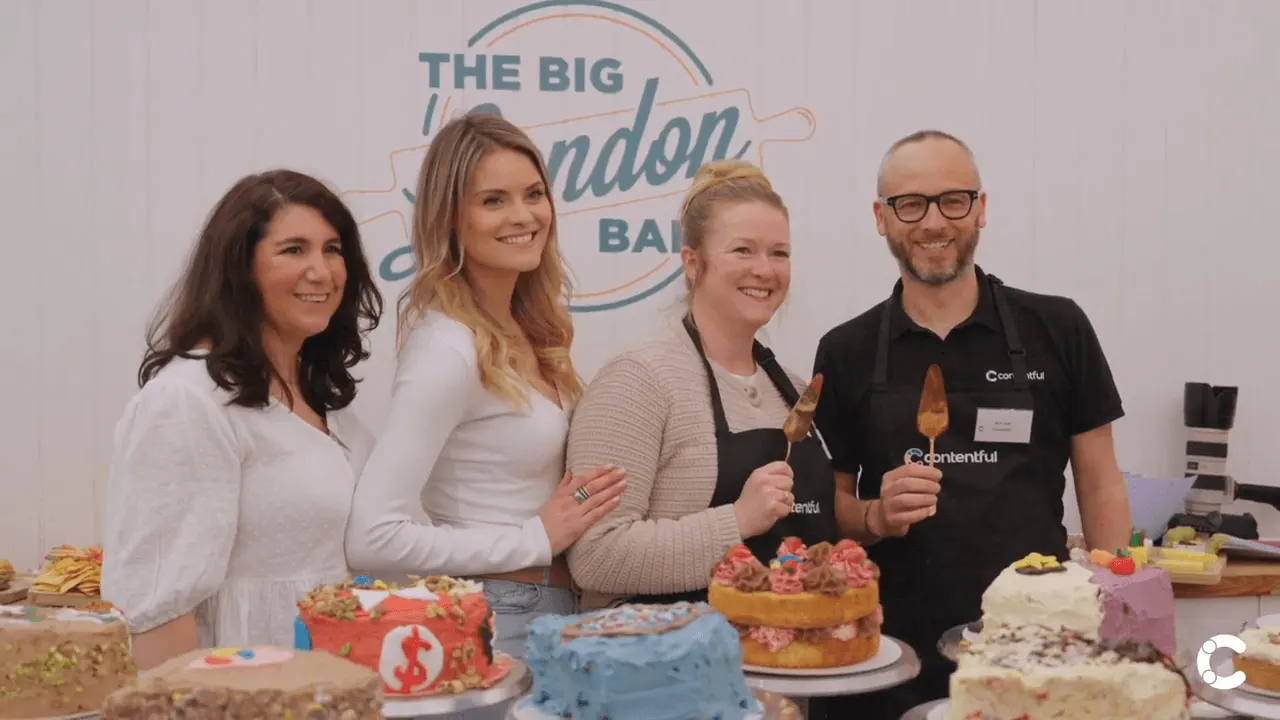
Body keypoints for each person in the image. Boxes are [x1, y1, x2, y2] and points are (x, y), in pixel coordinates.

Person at [812, 129, 1132, 716]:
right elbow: (828, 505)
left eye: (953, 199)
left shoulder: (1058, 329)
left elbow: (1100, 480)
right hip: (885, 650)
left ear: (981, 208)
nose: (934, 221)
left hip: (1034, 646)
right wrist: (876, 515)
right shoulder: (845, 350)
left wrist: (1117, 606)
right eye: (910, 204)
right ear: (882, 219)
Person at [343, 112, 627, 662]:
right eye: (493, 200)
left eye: (533, 194)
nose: (523, 216)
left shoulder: (530, 328)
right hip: (500, 617)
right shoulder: (447, 348)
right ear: (451, 219)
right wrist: (535, 538)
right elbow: (371, 536)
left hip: (558, 612)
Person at [101, 170, 384, 669]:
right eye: (293, 250)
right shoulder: (187, 402)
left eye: (333, 248)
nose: (321, 271)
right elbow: (156, 610)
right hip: (245, 695)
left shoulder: (325, 401)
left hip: (331, 691)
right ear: (239, 268)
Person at [565, 159, 843, 610]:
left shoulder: (790, 388)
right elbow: (596, 556)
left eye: (779, 253)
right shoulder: (638, 380)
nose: (765, 269)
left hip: (793, 659)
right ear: (694, 263)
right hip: (673, 663)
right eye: (742, 250)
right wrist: (736, 521)